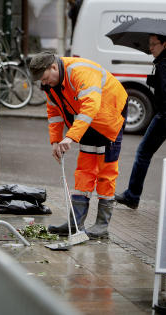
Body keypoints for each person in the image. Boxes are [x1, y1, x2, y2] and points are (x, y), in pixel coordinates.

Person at [29, 52, 128, 239]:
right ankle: (75, 223)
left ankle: (101, 226)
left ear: (53, 67)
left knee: (106, 172)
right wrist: (56, 141)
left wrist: (71, 137)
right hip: (87, 121)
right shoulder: (51, 85)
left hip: (109, 116)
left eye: (44, 78)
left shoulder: (79, 71)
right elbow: (54, 112)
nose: (43, 83)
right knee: (84, 170)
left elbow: (91, 105)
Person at [115, 34, 166, 209]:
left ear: (165, 44)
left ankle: (132, 196)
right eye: (149, 44)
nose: (150, 47)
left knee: (144, 153)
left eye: (153, 44)